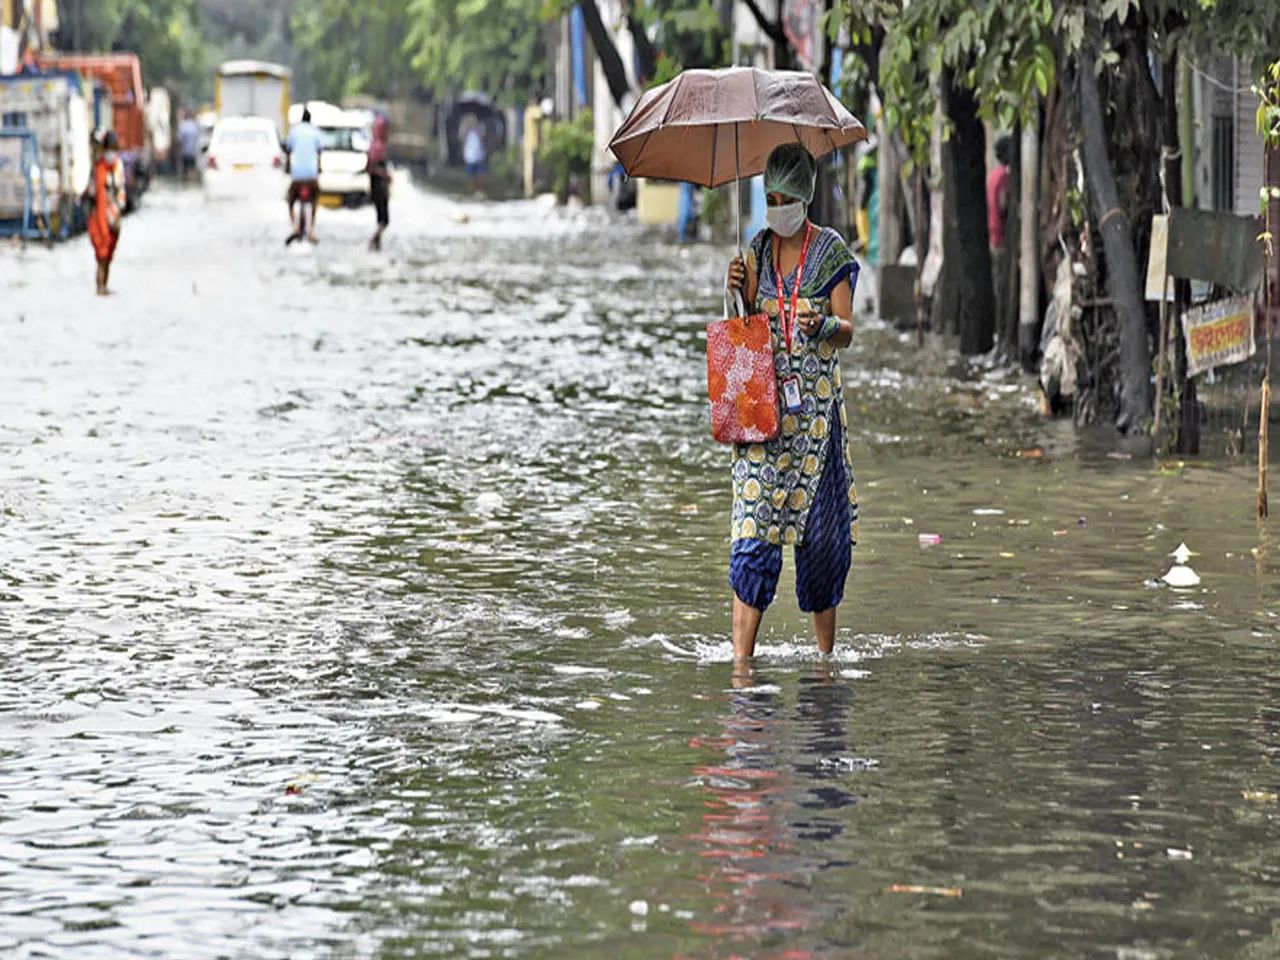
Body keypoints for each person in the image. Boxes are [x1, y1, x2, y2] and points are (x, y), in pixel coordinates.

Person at [724, 143, 860, 662]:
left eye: (784, 196)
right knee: (754, 538)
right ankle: (742, 664)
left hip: (815, 428)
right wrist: (736, 288)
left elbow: (847, 331)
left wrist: (823, 324)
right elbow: (745, 327)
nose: (775, 205)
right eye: (769, 196)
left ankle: (825, 663)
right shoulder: (755, 251)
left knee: (822, 544)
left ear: (804, 196)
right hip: (762, 419)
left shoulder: (830, 254)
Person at [83, 131, 126, 296]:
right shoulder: (98, 167)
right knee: (101, 253)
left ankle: (104, 286)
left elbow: (121, 191)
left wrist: (117, 210)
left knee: (108, 253)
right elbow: (91, 191)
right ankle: (100, 287)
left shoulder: (118, 166)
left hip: (113, 216)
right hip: (98, 216)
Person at [284, 107, 324, 244]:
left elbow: (288, 150)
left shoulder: (294, 131)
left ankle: (295, 227)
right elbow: (319, 152)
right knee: (315, 200)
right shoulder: (316, 131)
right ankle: (311, 230)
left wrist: (287, 168)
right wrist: (319, 169)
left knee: (289, 200)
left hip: (297, 175)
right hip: (311, 175)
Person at [988, 134, 1013, 330]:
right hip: (1002, 237)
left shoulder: (993, 174)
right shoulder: (1004, 176)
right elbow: (1003, 205)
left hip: (994, 235)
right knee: (1003, 285)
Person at [366, 113, 390, 251]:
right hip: (379, 186)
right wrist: (385, 174)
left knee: (380, 219)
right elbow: (372, 167)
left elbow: (366, 167)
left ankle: (377, 245)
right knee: (385, 220)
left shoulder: (372, 145)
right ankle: (373, 240)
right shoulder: (378, 147)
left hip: (375, 186)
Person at [178, 109, 200, 182]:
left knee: (185, 171)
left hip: (185, 152)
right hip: (193, 152)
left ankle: (186, 182)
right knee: (192, 170)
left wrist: (180, 152)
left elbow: (180, 140)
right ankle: (191, 181)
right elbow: (198, 139)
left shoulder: (183, 125)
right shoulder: (195, 125)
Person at [463, 124, 486, 195]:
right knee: (471, 176)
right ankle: (472, 190)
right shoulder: (468, 132)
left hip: (478, 157)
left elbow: (482, 141)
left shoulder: (480, 130)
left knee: (480, 175)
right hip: (470, 157)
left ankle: (479, 190)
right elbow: (462, 138)